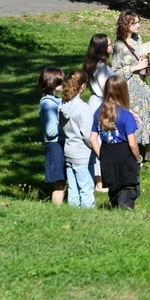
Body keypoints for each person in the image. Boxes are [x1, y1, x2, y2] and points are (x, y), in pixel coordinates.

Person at [89, 76, 142, 209]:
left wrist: (101, 155)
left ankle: (115, 211)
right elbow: (132, 144)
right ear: (123, 92)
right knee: (127, 189)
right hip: (124, 156)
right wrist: (138, 158)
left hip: (107, 154)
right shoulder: (126, 115)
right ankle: (125, 214)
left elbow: (92, 138)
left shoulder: (99, 113)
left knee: (113, 190)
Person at [113, 9, 150, 149]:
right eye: (135, 23)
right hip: (128, 87)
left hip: (141, 82)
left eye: (139, 22)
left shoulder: (138, 39)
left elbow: (140, 59)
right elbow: (115, 72)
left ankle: (149, 147)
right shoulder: (119, 45)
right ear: (126, 24)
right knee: (135, 116)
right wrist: (134, 68)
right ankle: (134, 146)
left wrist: (145, 61)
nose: (139, 26)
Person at [59, 70, 96, 209]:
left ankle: (72, 215)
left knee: (73, 190)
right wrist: (96, 148)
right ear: (83, 86)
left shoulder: (62, 105)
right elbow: (88, 136)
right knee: (86, 189)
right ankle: (88, 220)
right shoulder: (83, 108)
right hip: (83, 154)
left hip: (69, 151)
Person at [83, 33, 114, 191]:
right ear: (102, 48)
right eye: (109, 45)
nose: (112, 47)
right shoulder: (101, 67)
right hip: (102, 103)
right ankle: (100, 182)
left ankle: (102, 180)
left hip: (98, 101)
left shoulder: (94, 64)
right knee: (100, 141)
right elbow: (106, 88)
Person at [38, 67, 66, 205]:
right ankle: (57, 208)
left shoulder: (54, 100)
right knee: (59, 180)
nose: (63, 84)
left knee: (62, 180)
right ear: (52, 83)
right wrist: (67, 126)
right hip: (55, 144)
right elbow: (51, 131)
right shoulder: (48, 104)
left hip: (59, 143)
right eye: (60, 82)